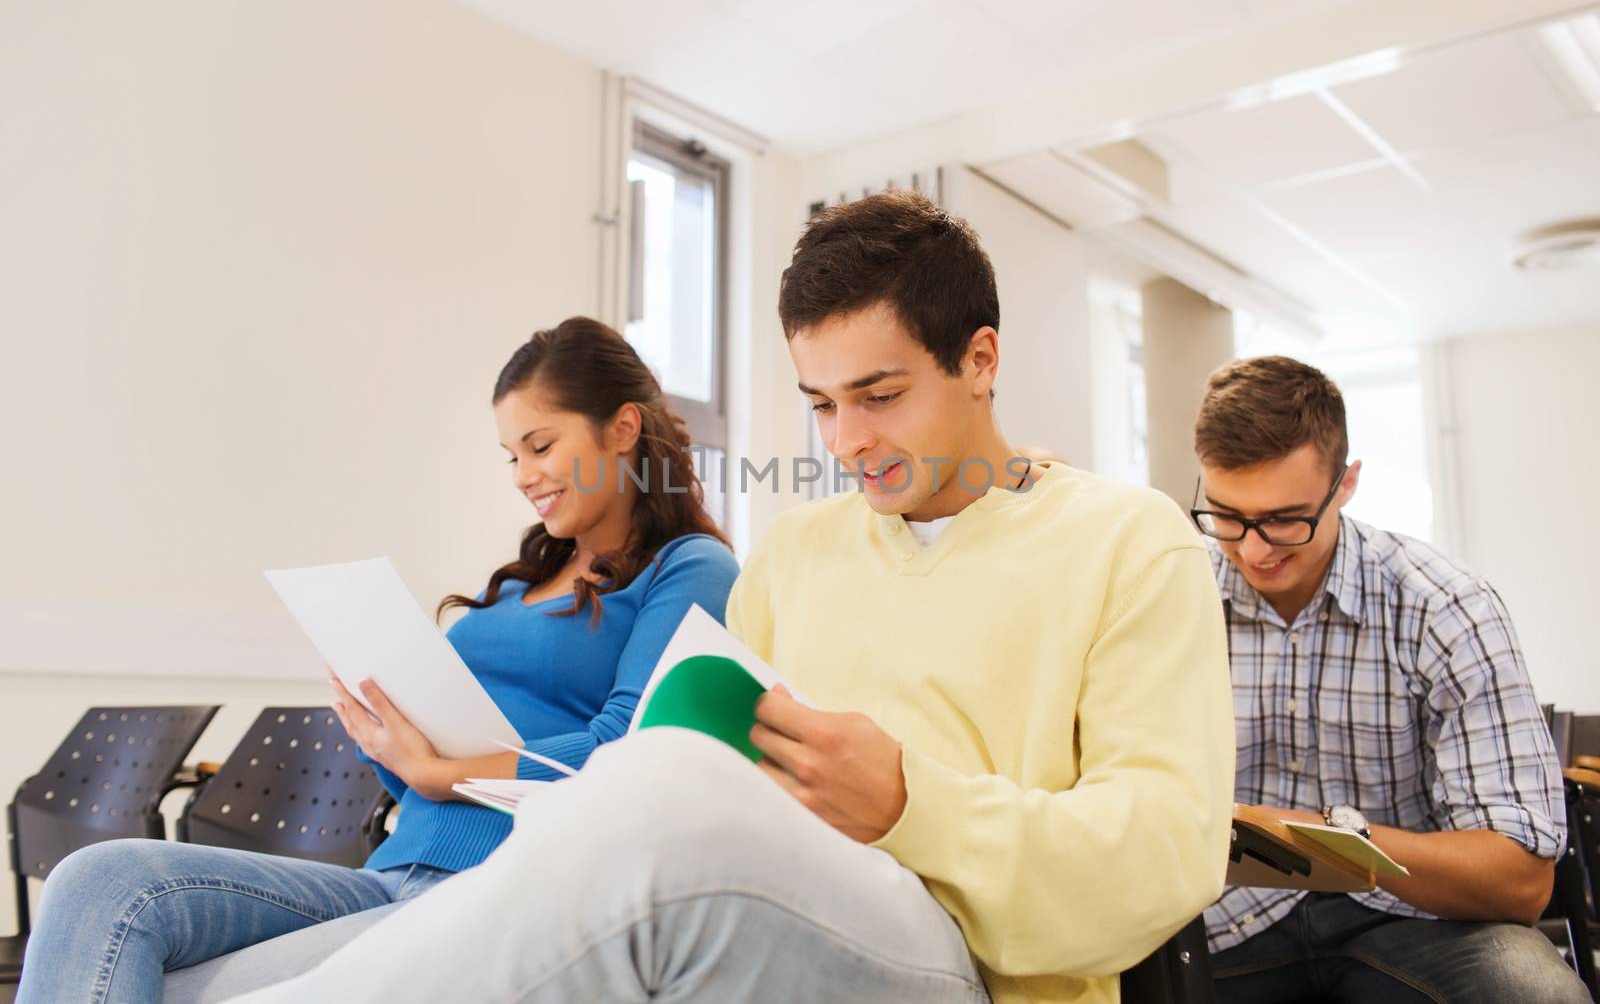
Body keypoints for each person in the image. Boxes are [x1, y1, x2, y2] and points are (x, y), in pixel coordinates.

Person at [227, 190, 1235, 1004]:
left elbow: (1164, 855)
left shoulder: (1128, 540)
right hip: (752, 911)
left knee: (660, 784)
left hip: (975, 963)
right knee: (188, 962)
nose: (845, 442)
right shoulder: (798, 549)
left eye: (880, 395)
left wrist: (908, 804)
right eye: (820, 405)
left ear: (981, 359)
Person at [16, 316, 739, 1004]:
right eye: (511, 455)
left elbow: (633, 747)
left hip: (500, 888)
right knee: (98, 884)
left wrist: (442, 771)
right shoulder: (522, 580)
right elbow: (421, 773)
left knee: (156, 984)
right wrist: (387, 735)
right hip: (390, 870)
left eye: (540, 445)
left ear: (622, 427)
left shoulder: (689, 566)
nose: (522, 474)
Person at [1190, 355, 1584, 1003]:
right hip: (1226, 924)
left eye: (1286, 518)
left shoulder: (1445, 606)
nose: (1255, 549)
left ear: (1346, 484)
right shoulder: (1171, 594)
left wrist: (1334, 839)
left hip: (1415, 922)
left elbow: (1520, 880)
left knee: (1537, 994)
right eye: (1228, 516)